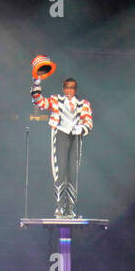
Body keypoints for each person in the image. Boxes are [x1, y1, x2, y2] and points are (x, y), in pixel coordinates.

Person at [31, 74, 92, 218]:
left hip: (75, 137)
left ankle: (70, 208)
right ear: (63, 89)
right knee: (60, 170)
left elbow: (88, 121)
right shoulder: (56, 100)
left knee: (73, 172)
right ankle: (59, 206)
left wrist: (82, 128)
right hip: (60, 134)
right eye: (67, 88)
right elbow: (39, 102)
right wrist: (36, 85)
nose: (69, 91)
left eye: (72, 88)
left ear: (75, 90)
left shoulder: (83, 104)